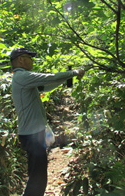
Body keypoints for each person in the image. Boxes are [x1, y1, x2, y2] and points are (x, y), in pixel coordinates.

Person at [10, 47, 85, 196]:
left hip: (33, 133)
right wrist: (74, 72)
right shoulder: (22, 76)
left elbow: (46, 86)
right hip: (31, 134)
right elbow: (48, 77)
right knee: (37, 178)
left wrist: (65, 78)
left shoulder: (23, 78)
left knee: (37, 174)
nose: (32, 60)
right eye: (29, 57)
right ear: (20, 59)